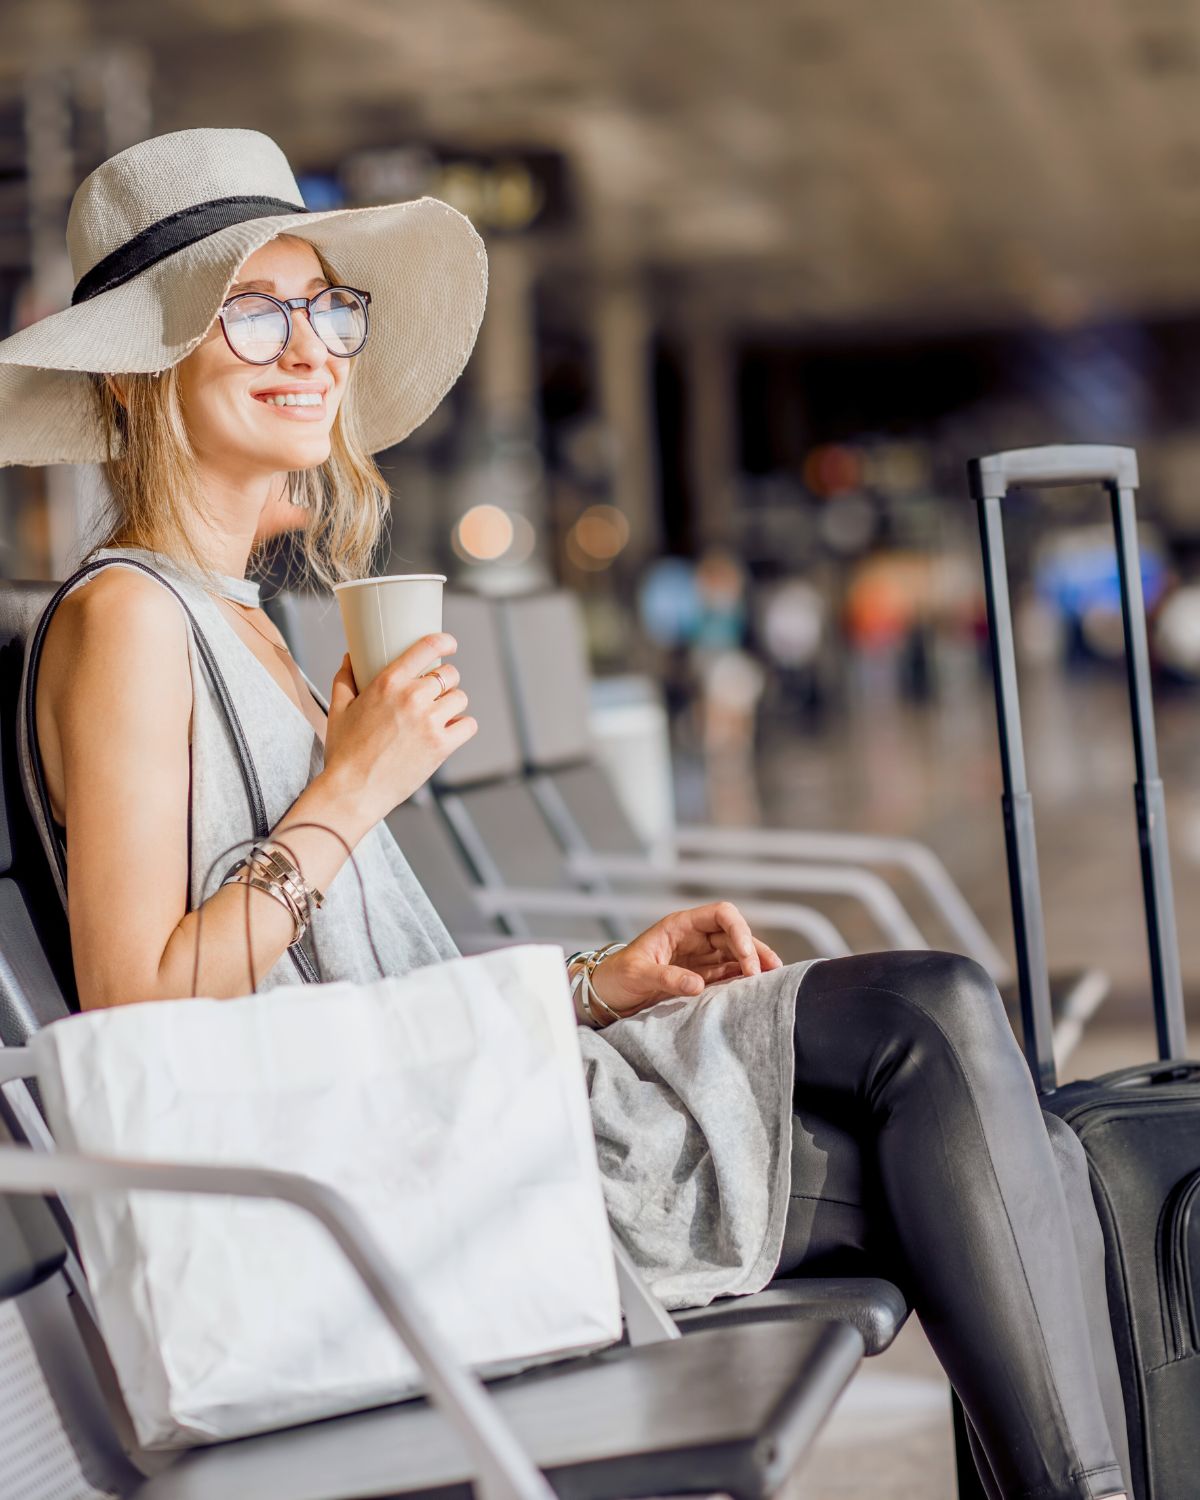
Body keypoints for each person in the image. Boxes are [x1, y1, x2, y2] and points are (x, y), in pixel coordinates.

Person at [2, 130, 1128, 1500]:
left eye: (326, 307)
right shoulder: (128, 618)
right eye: (254, 310)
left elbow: (362, 986)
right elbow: (135, 1018)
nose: (311, 348)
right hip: (371, 1204)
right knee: (959, 1079)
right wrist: (355, 781)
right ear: (144, 367)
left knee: (960, 1046)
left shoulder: (251, 625)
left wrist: (595, 985)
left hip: (419, 1141)